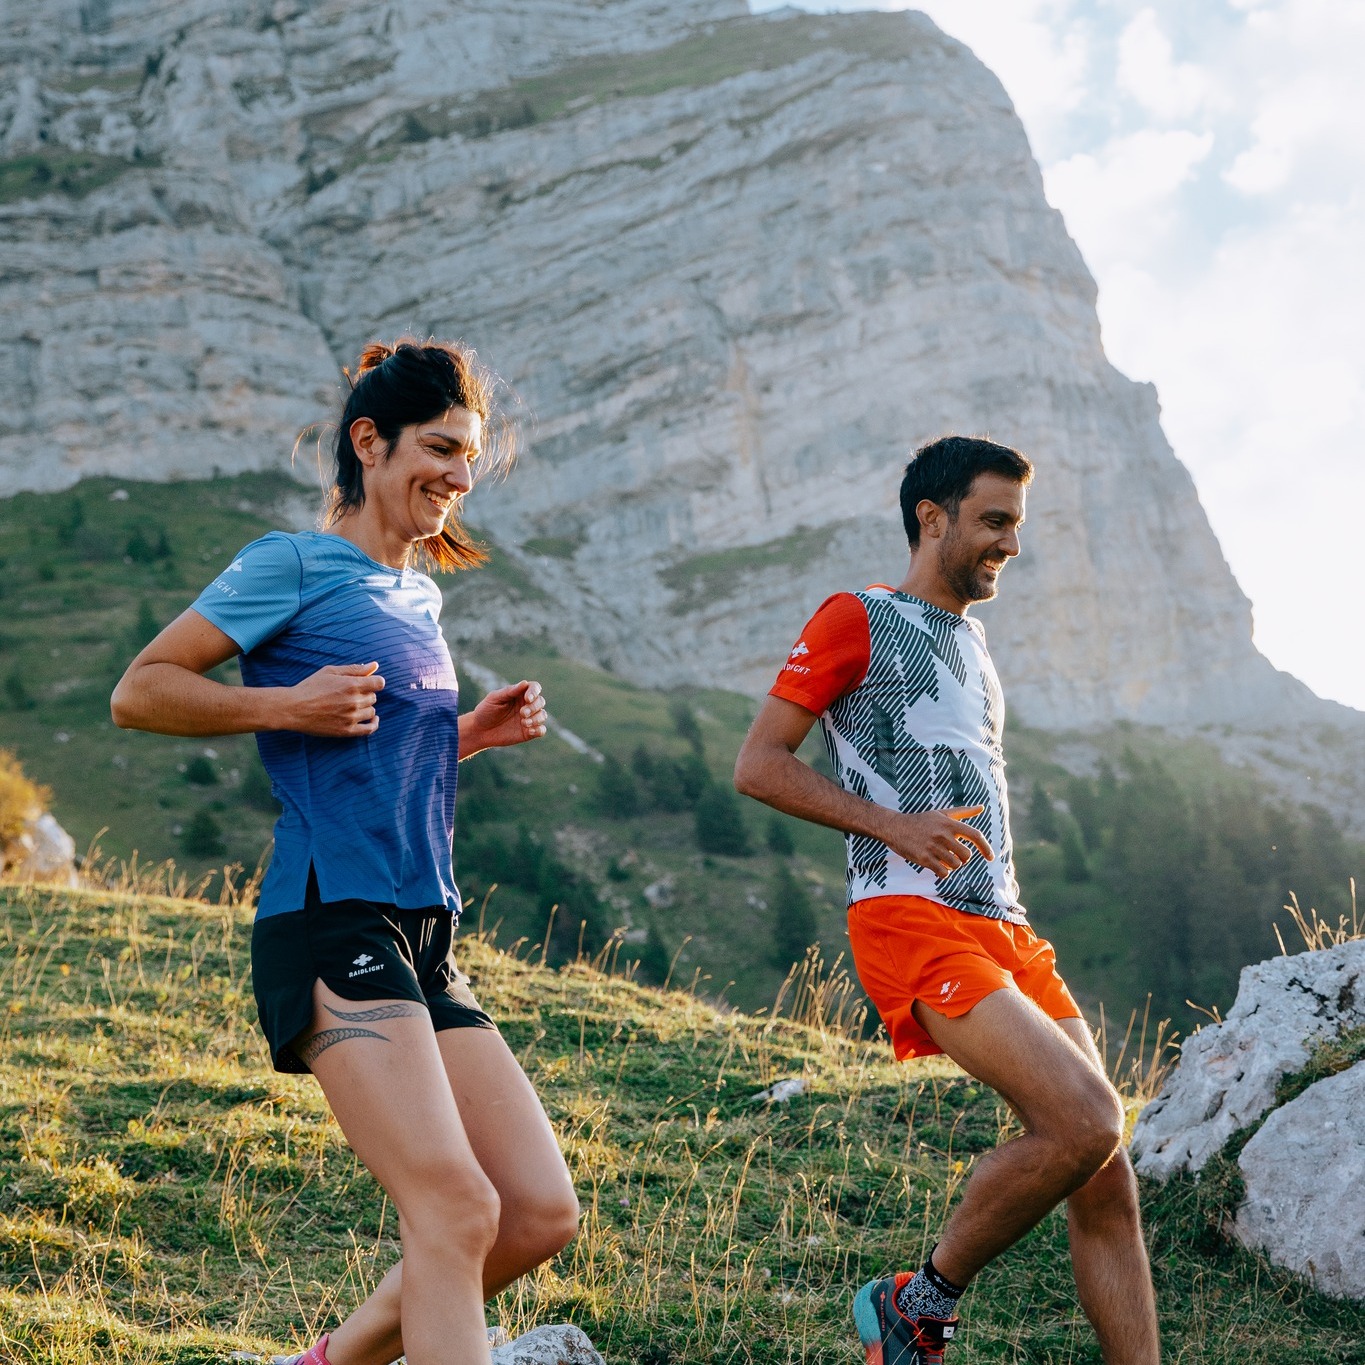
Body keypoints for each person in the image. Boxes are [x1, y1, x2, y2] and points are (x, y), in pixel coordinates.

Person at [112, 339, 580, 1365]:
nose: (460, 477)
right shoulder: (289, 564)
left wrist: (467, 736)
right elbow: (139, 690)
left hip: (423, 930)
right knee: (455, 1205)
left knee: (536, 1212)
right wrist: (282, 701)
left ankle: (328, 1361)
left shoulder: (419, 594)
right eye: (441, 448)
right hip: (330, 918)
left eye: (471, 456)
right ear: (369, 443)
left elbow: (363, 748)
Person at [733, 436, 1159, 1365]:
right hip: (907, 913)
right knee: (1086, 1118)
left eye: (1016, 523)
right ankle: (917, 1301)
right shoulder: (858, 614)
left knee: (1104, 1169)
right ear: (933, 518)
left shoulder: (971, 639)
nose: (1010, 542)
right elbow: (758, 764)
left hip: (1002, 923)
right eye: (994, 520)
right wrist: (892, 827)